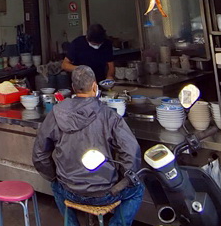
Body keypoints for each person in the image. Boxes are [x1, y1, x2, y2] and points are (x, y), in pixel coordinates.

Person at [32, 65, 144, 226]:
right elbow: (131, 153)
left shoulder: (56, 113)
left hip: (68, 190)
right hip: (105, 193)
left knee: (55, 185)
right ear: (94, 86)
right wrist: (121, 180)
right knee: (137, 189)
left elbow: (39, 154)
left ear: (73, 88)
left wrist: (55, 176)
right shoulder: (109, 115)